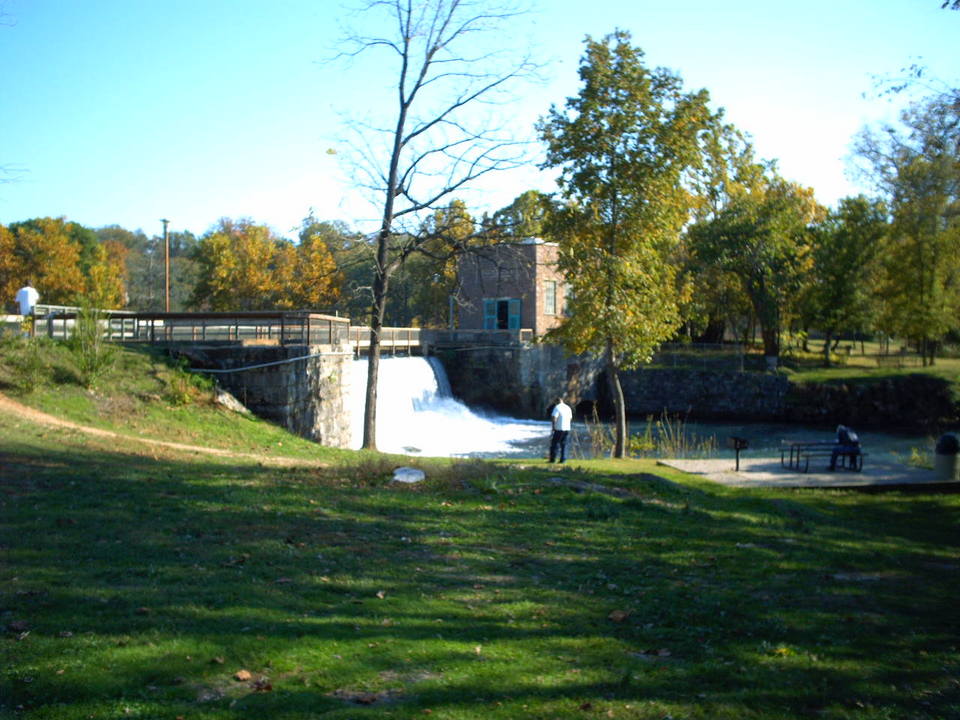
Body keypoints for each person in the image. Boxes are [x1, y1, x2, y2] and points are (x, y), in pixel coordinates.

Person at [549, 396, 572, 464]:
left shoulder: (557, 407)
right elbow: (570, 418)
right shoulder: (568, 407)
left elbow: (554, 417)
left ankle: (553, 459)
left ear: (556, 402)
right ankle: (563, 459)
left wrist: (553, 426)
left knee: (554, 444)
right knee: (564, 444)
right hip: (567, 428)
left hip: (559, 428)